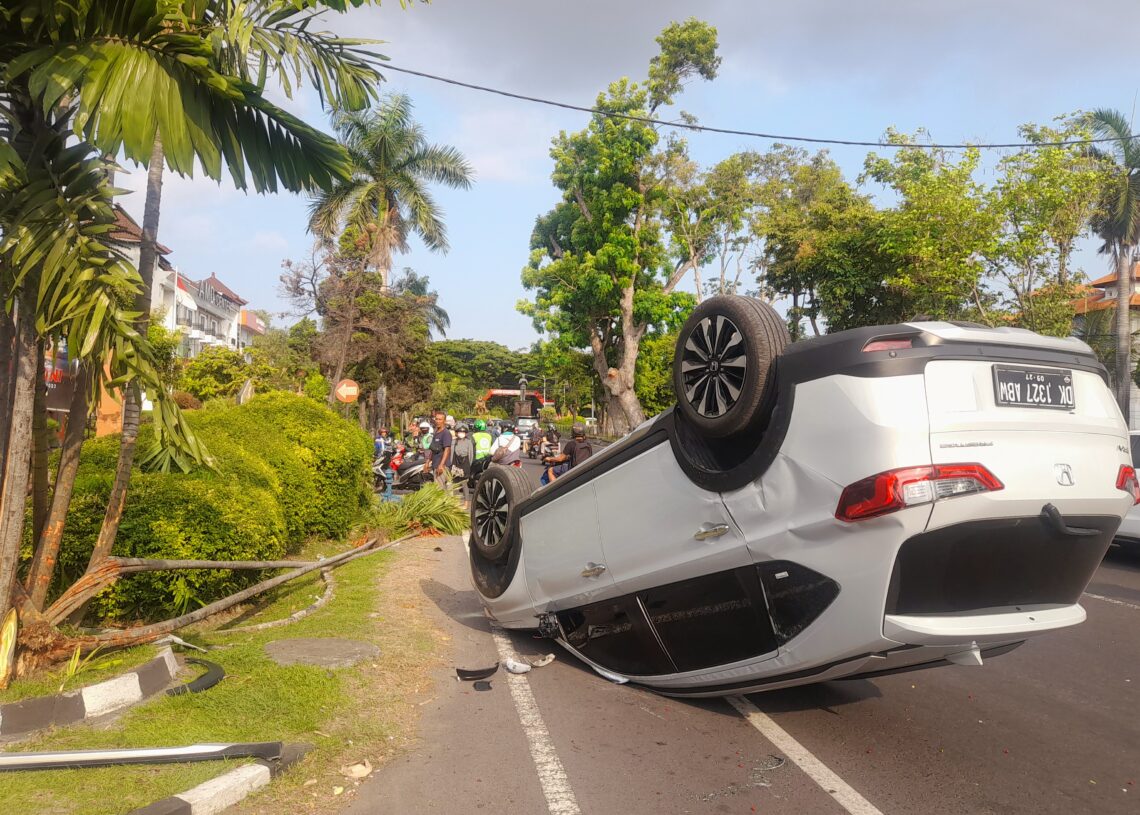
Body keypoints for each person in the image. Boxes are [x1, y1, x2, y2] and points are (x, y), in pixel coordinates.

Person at [423, 410, 453, 488]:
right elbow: (433, 449)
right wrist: (427, 462)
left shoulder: (446, 433)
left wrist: (441, 465)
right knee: (438, 488)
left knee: (440, 489)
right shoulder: (436, 432)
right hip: (435, 464)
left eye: (440, 419)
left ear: (444, 421)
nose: (438, 421)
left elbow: (447, 449)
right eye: (436, 419)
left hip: (442, 466)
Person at [452, 423, 476, 505]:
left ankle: (466, 503)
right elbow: (451, 454)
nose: (461, 434)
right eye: (459, 432)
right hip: (455, 465)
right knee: (455, 484)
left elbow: (471, 456)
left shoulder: (469, 442)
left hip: (465, 464)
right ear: (456, 432)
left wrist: (467, 466)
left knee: (464, 483)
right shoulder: (453, 442)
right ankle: (455, 503)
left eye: (463, 432)